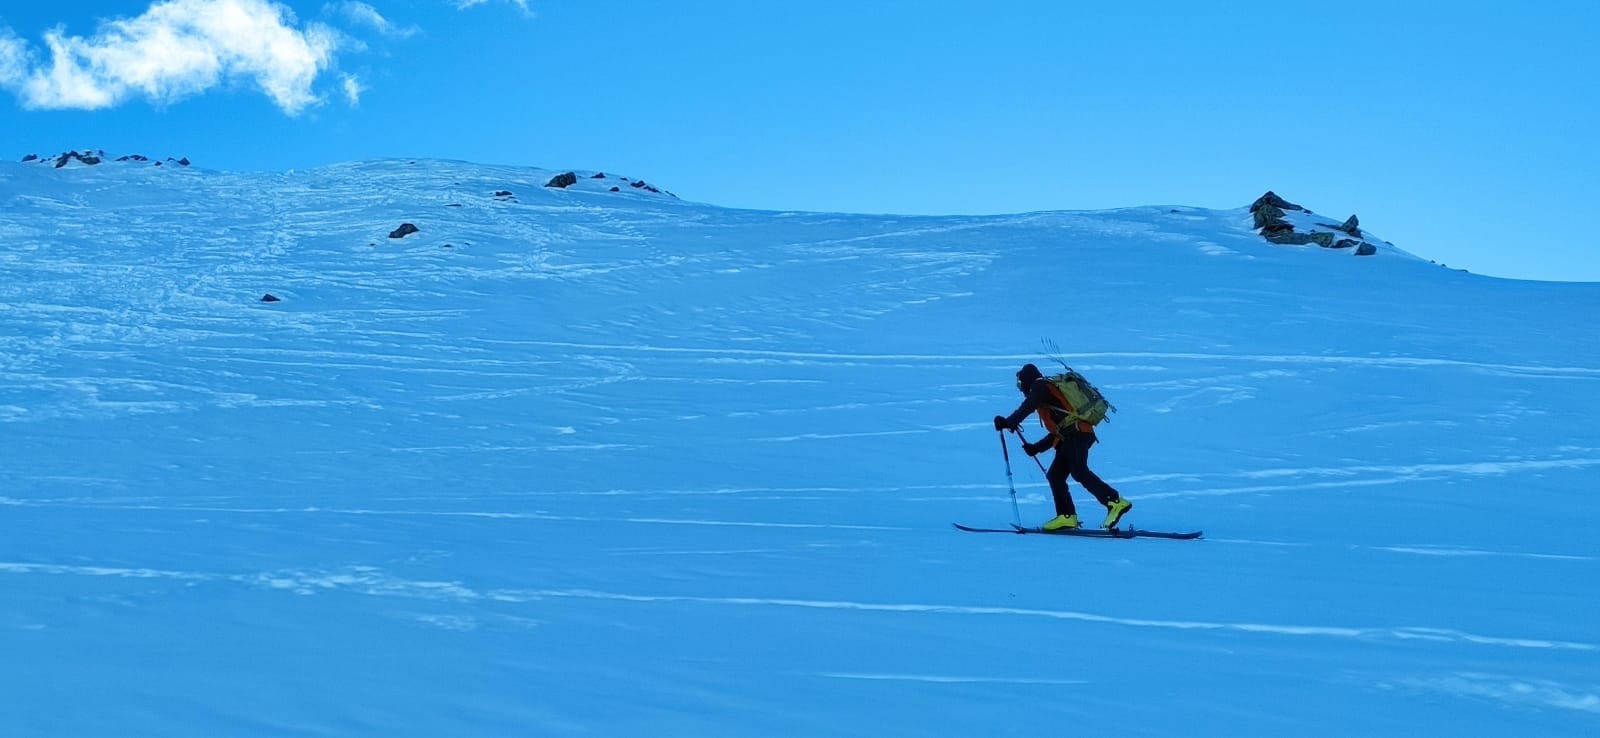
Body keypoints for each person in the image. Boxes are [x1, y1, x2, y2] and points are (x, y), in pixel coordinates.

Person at [993, 363, 1132, 531]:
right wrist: (1036, 448)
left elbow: (1028, 407)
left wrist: (1009, 422)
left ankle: (1115, 501)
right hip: (1071, 436)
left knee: (1079, 470)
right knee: (1055, 475)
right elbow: (1059, 429)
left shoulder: (1040, 386)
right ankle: (1067, 516)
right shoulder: (1045, 391)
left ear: (1026, 381)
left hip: (1077, 434)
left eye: (1020, 384)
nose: (1021, 389)